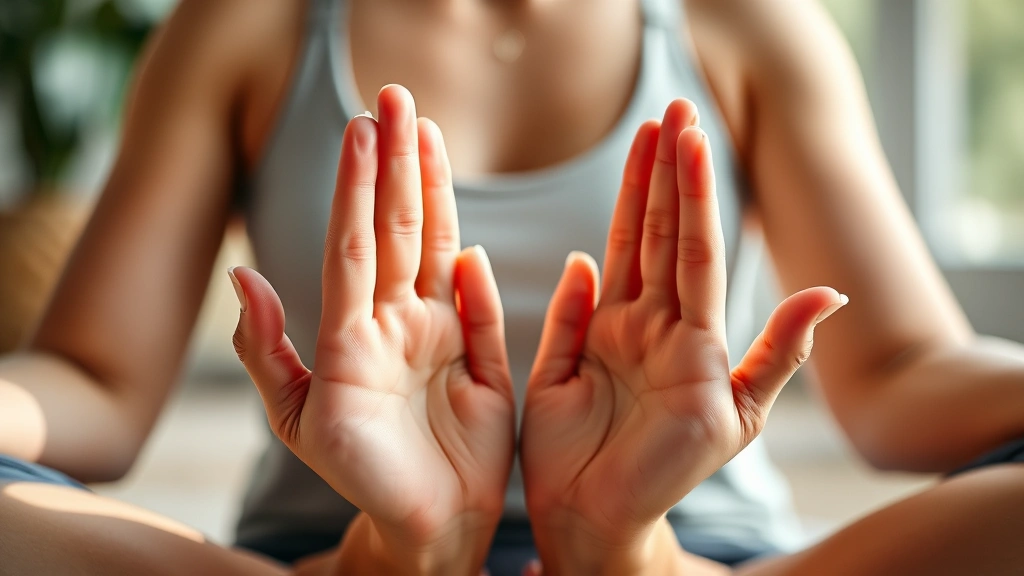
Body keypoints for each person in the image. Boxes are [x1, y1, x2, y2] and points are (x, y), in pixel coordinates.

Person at [1, 0, 1022, 574]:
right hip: (326, 553)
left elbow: (904, 371)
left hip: (701, 552)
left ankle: (624, 557)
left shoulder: (748, 23)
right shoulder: (244, 24)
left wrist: (630, 547)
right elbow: (94, 379)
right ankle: (407, 553)